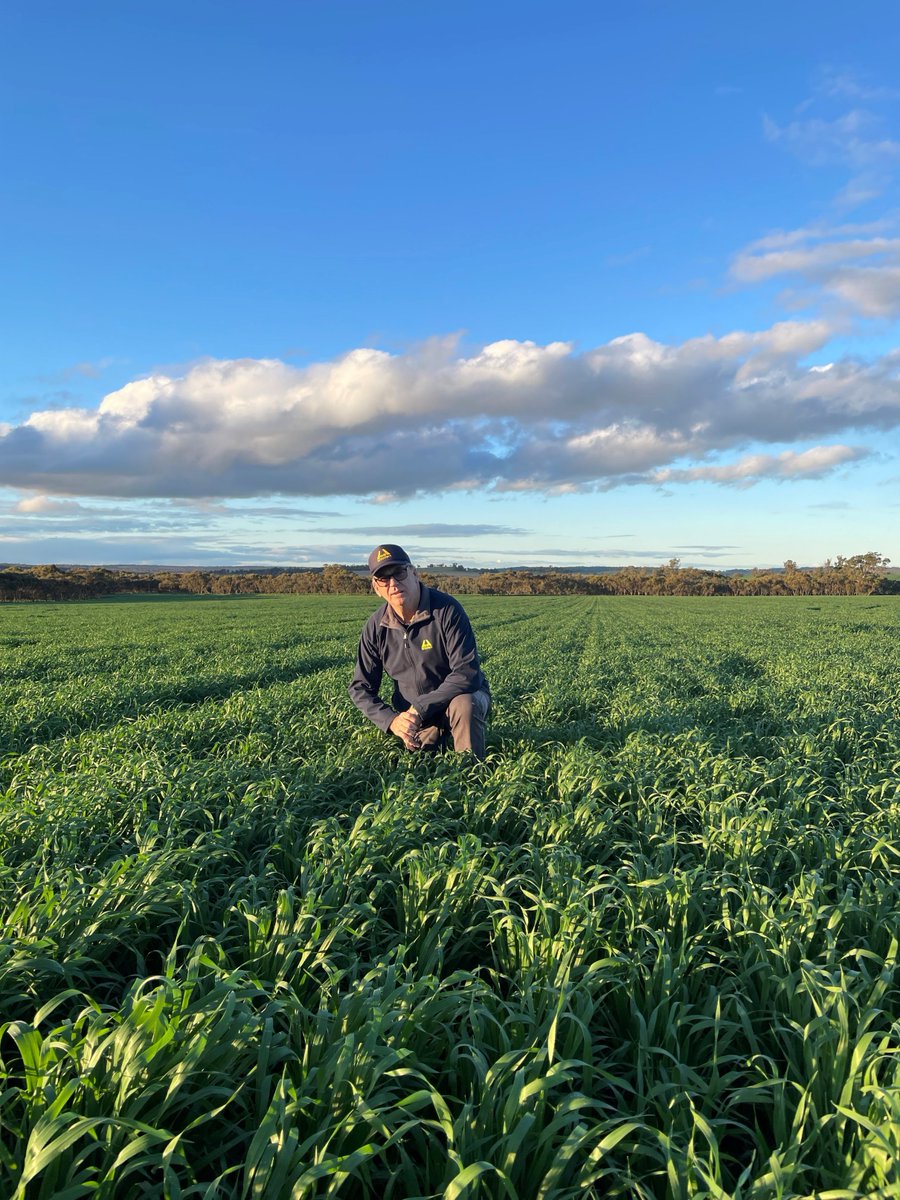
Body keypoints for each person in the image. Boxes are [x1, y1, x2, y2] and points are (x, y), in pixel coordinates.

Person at [349, 544, 491, 759]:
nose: (393, 584)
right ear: (376, 588)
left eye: (399, 573)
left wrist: (419, 707)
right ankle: (437, 734)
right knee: (420, 764)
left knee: (465, 704)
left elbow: (466, 673)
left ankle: (472, 776)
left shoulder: (446, 610)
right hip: (416, 716)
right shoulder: (375, 627)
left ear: (414, 573)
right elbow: (360, 688)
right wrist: (392, 721)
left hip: (457, 700)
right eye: (383, 579)